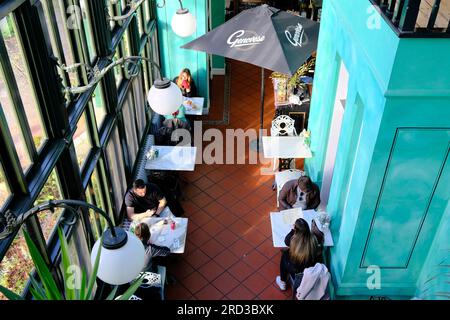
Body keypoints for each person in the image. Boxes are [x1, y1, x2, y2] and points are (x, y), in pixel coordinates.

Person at [276, 218, 323, 291]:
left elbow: (286, 241)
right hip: (309, 271)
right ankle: (283, 281)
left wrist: (292, 230)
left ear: (296, 229)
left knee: (285, 255)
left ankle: (283, 282)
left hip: (296, 273)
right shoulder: (313, 239)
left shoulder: (293, 240)